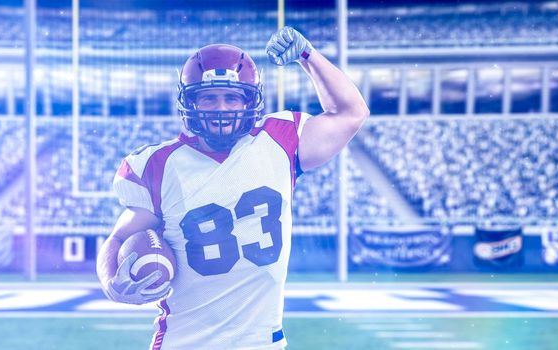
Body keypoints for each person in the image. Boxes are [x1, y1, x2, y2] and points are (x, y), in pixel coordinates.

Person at [96, 26, 369, 350]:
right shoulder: (158, 164)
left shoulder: (280, 140)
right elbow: (117, 238)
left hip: (261, 343)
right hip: (184, 343)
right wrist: (111, 281)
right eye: (208, 98)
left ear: (251, 100)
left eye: (231, 97)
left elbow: (352, 112)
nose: (221, 108)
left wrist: (308, 56)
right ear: (190, 101)